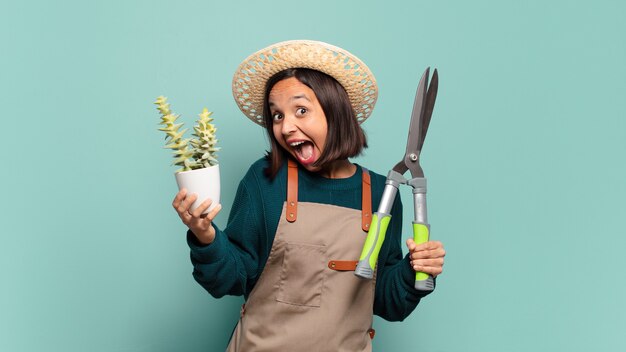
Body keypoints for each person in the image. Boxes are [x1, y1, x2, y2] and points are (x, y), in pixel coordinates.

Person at [172, 40, 446, 351]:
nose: (286, 127)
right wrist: (205, 235)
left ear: (335, 112)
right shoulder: (265, 182)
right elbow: (230, 279)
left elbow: (386, 301)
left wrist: (415, 268)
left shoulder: (384, 195)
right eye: (277, 116)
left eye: (301, 110)